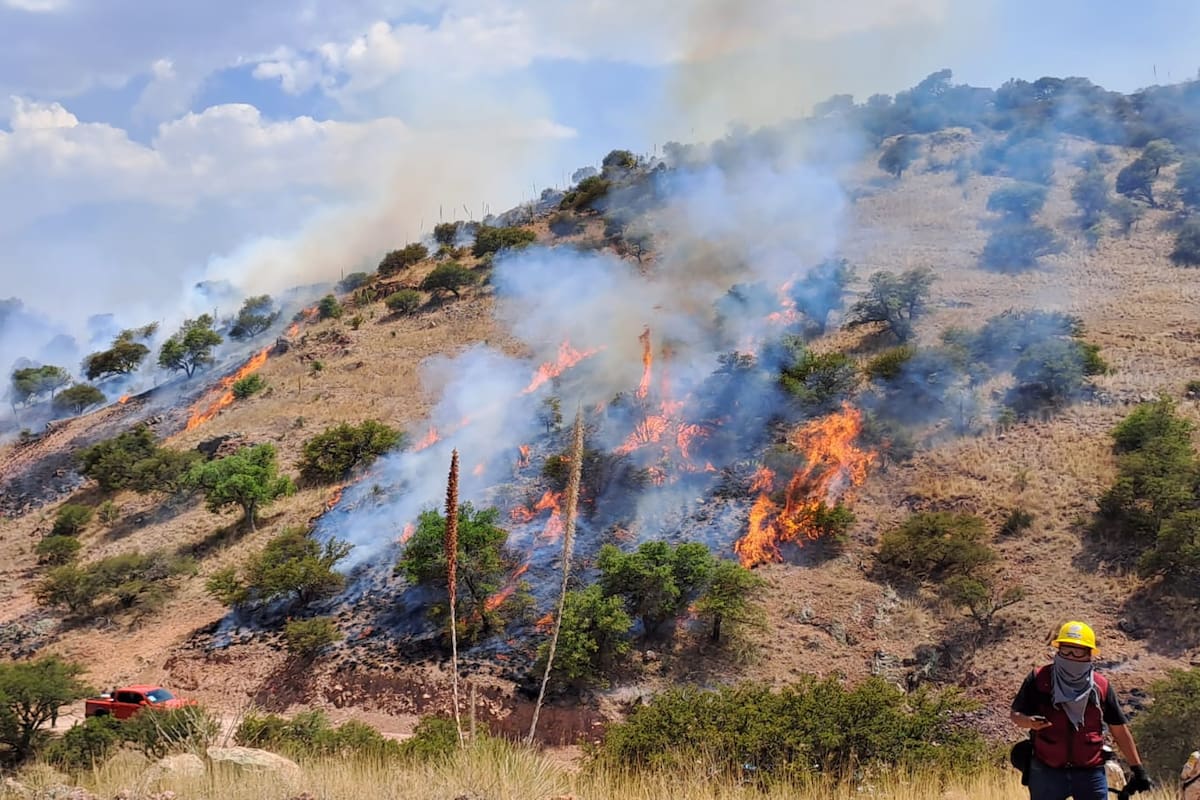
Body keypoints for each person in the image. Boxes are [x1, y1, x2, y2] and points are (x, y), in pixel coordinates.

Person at [1010, 621, 1153, 800]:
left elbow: (1119, 730)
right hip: (1047, 771)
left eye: (1077, 651)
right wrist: (1029, 722)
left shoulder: (1101, 687)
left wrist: (1138, 769)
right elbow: (1015, 714)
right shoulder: (1039, 679)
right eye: (1065, 650)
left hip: (1090, 774)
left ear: (1089, 654)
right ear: (1058, 650)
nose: (1070, 656)